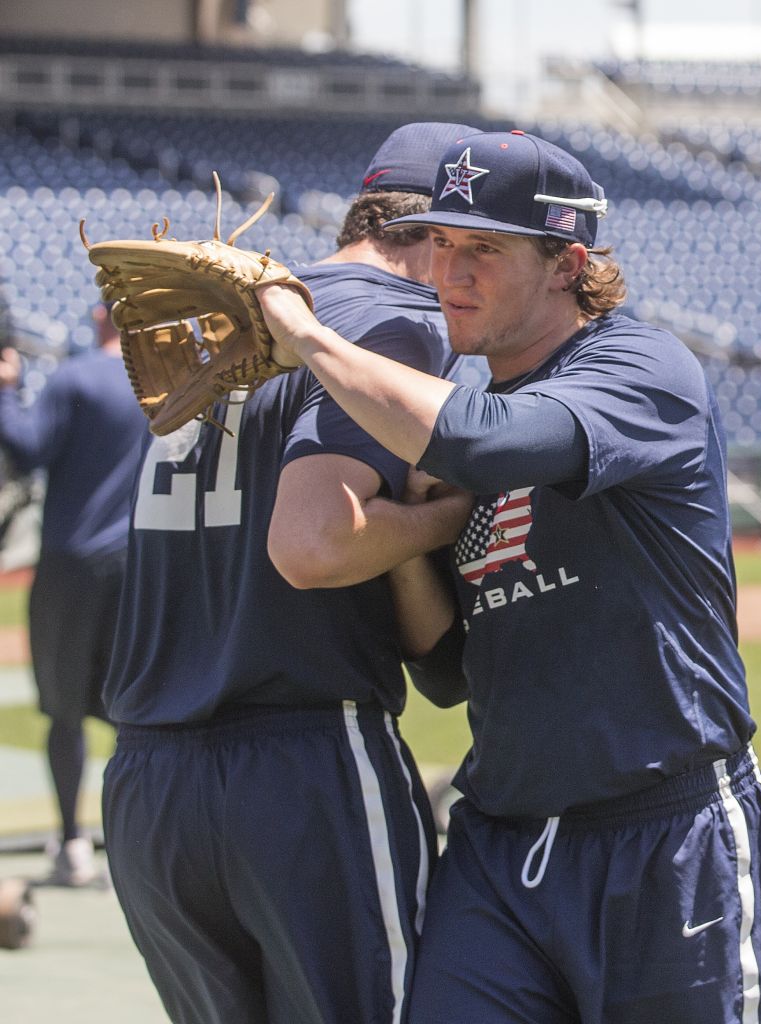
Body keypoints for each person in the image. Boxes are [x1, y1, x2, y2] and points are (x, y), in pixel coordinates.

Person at [256, 129, 761, 1023]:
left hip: (666, 840)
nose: (448, 274)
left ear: (566, 263)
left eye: (485, 249)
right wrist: (418, 533)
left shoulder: (637, 367)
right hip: (500, 852)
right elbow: (446, 671)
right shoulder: (460, 427)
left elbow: (495, 442)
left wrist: (311, 340)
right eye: (439, 243)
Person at [100, 121, 478, 1024]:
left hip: (151, 775)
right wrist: (446, 512)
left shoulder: (225, 318)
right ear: (442, 237)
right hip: (302, 758)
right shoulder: (396, 319)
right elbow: (319, 544)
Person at [0, 304, 147, 886]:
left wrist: (6, 389)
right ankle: (137, 838)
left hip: (73, 564)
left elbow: (26, 448)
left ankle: (71, 843)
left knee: (64, 709)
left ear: (101, 315)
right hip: (142, 566)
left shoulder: (76, 377)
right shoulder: (162, 384)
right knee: (132, 710)